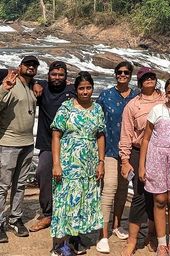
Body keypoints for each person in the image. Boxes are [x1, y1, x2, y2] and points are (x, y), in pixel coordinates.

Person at [50, 71, 105, 256]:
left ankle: (74, 239)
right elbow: (56, 135)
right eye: (81, 88)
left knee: (82, 200)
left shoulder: (97, 109)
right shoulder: (66, 108)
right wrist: (56, 164)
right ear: (76, 90)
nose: (85, 91)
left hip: (88, 164)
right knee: (65, 200)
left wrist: (101, 162)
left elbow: (100, 136)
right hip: (68, 163)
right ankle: (60, 244)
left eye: (88, 88)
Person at [139, 77, 170, 256]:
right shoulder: (157, 110)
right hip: (156, 159)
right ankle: (161, 243)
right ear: (165, 94)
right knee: (159, 200)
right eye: (169, 92)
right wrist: (142, 166)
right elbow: (146, 138)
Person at [119, 66, 165, 256]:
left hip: (162, 153)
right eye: (145, 77)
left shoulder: (165, 100)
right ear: (139, 82)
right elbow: (126, 134)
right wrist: (125, 160)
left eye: (152, 76)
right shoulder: (132, 105)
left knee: (158, 195)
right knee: (139, 196)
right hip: (140, 153)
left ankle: (152, 236)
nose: (149, 79)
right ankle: (132, 241)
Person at [96, 61, 137, 254]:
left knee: (123, 189)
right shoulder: (105, 96)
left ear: (130, 75)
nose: (122, 75)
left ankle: (117, 225)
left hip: (128, 151)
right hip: (110, 149)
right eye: (119, 72)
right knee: (109, 188)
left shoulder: (136, 95)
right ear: (115, 74)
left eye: (126, 72)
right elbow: (96, 120)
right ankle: (102, 235)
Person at [29, 60, 75, 233]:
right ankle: (48, 213)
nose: (57, 77)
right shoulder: (42, 88)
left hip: (70, 144)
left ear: (66, 77)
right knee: (42, 173)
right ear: (48, 75)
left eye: (61, 75)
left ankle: (68, 214)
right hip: (47, 143)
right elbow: (26, 79)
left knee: (69, 180)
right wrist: (36, 82)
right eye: (54, 74)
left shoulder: (72, 90)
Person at [0, 54, 39, 243]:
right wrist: (3, 89)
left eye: (34, 65)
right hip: (8, 143)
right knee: (3, 186)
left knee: (20, 184)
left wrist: (36, 84)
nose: (31, 67)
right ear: (20, 66)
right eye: (28, 64)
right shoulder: (10, 84)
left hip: (27, 143)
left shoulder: (31, 87)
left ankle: (15, 219)